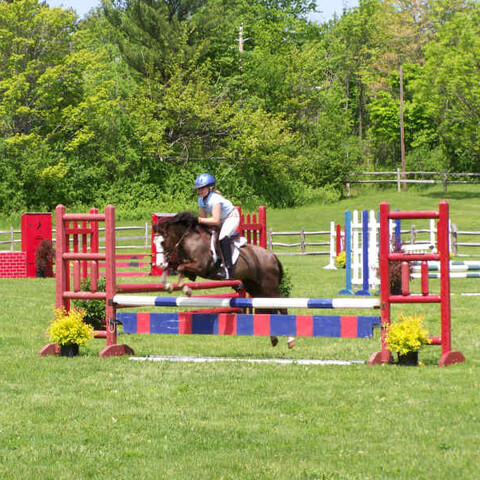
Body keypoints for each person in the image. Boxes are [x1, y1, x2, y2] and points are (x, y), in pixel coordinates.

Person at [195, 173, 240, 279]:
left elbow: (214, 220)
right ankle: (216, 262)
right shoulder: (201, 200)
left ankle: (229, 270)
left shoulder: (215, 198)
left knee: (223, 237)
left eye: (202, 188)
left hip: (231, 217)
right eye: (198, 188)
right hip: (220, 219)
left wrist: (198, 220)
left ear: (210, 188)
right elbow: (204, 220)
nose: (200, 190)